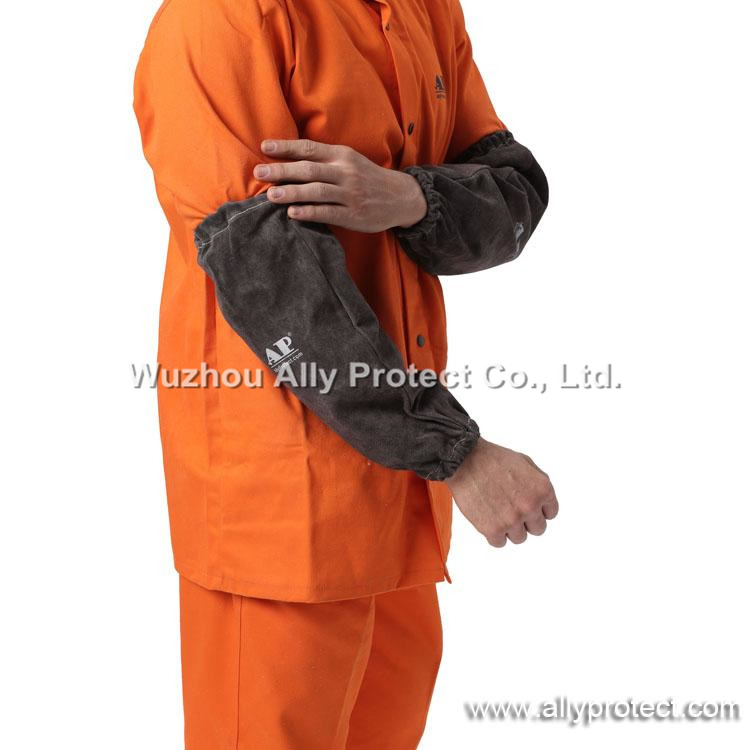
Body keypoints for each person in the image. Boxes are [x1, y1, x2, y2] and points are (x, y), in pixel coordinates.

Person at [133, 0, 558, 746]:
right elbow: (267, 275)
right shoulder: (222, 19)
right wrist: (455, 452)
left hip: (399, 504)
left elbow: (515, 191)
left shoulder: (427, 9)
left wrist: (409, 198)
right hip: (280, 516)